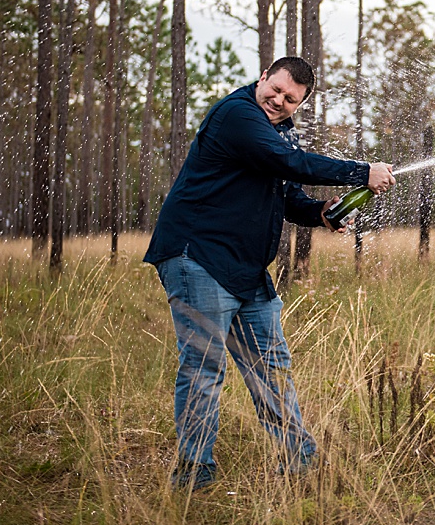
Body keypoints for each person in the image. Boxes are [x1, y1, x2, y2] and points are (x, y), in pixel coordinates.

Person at [144, 56, 396, 491]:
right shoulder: (237, 114)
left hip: (246, 269)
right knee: (204, 369)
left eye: (289, 99)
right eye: (275, 89)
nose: (278, 100)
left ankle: (299, 463)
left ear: (300, 104)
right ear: (262, 78)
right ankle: (193, 477)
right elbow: (285, 161)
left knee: (272, 367)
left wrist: (321, 214)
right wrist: (361, 172)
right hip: (197, 257)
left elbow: (288, 195)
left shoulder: (280, 132)